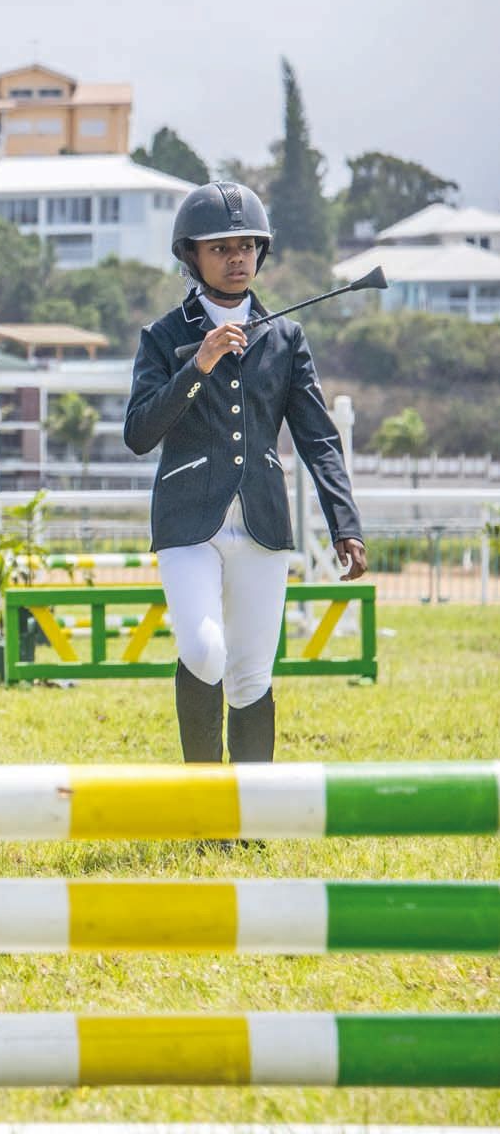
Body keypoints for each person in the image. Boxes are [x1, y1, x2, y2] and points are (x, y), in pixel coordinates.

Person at [124, 180, 367, 764]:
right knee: (206, 653)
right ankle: (205, 803)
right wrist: (198, 364)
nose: (237, 259)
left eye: (247, 247)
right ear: (193, 256)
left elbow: (317, 437)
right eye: (221, 248)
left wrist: (345, 523)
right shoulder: (162, 337)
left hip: (262, 520)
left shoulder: (285, 336)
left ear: (261, 251)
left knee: (252, 672)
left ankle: (251, 811)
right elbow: (139, 433)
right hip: (188, 525)